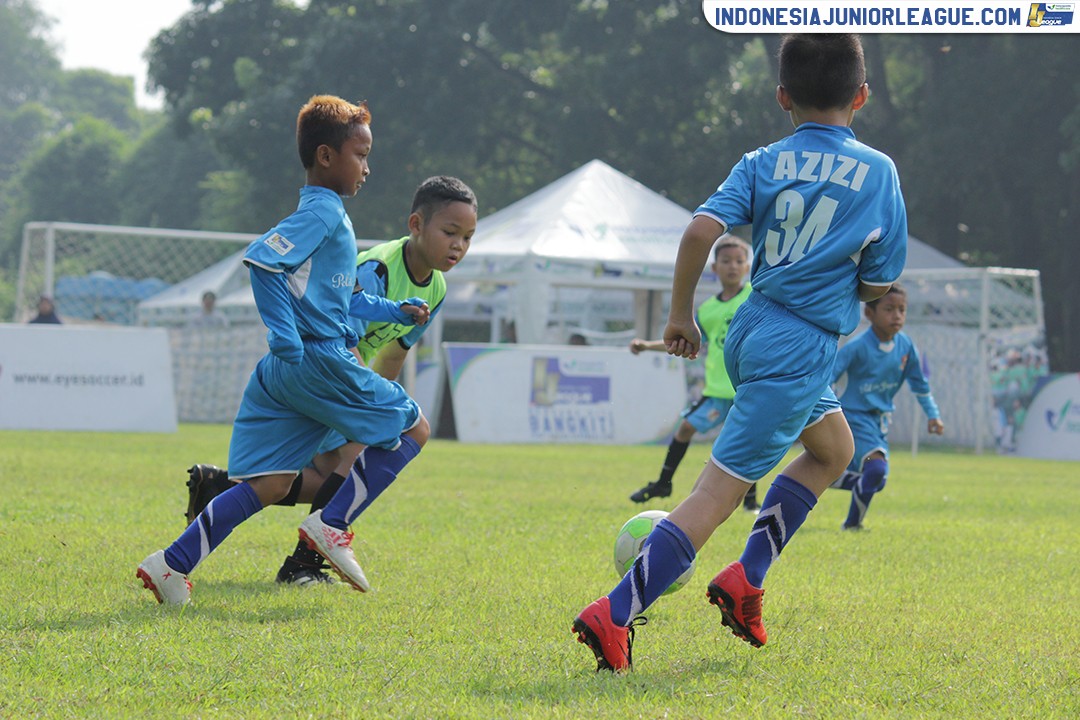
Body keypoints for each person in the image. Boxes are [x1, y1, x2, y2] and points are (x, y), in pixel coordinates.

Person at [571, 34, 908, 671]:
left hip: (756, 323)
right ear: (862, 96)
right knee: (717, 494)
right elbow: (877, 281)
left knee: (834, 450)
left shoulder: (764, 159)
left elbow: (702, 229)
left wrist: (678, 315)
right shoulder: (880, 171)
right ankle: (613, 612)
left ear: (782, 97)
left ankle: (745, 580)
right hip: (803, 343)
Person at [137, 94, 433, 605]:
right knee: (414, 428)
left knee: (271, 484)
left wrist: (394, 311)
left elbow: (346, 297)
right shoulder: (323, 213)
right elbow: (262, 261)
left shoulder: (328, 216)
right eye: (359, 155)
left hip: (287, 372)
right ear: (325, 156)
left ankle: (170, 564)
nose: (367, 167)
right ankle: (332, 525)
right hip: (316, 359)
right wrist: (286, 335)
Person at [183, 175, 478, 586]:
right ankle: (302, 564)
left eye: (467, 237)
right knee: (356, 460)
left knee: (314, 478)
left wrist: (379, 407)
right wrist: (365, 411)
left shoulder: (437, 288)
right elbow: (338, 333)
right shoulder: (377, 268)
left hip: (340, 379)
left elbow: (394, 354)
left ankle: (221, 489)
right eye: (450, 233)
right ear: (416, 224)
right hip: (326, 370)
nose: (458, 246)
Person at [627, 234, 760, 512]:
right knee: (686, 428)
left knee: (749, 440)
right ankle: (664, 483)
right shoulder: (708, 310)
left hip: (748, 388)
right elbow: (683, 337)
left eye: (739, 261)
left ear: (748, 267)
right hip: (717, 392)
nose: (733, 266)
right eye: (726, 261)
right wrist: (647, 346)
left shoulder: (755, 297)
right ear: (714, 268)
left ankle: (750, 501)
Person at [830, 283, 944, 530]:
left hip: (879, 422)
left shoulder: (906, 347)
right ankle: (852, 525)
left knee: (876, 479)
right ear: (869, 314)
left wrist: (933, 415)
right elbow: (827, 376)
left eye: (902, 310)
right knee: (876, 468)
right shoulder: (857, 347)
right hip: (853, 418)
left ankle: (824, 478)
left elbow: (920, 385)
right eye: (889, 309)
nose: (897, 316)